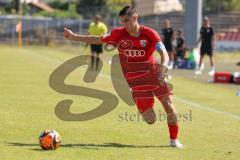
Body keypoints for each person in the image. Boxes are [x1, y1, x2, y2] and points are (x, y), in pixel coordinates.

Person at [64, 5, 183, 148]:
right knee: (150, 119)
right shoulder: (118, 34)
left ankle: (174, 141)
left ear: (135, 18)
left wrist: (163, 69)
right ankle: (138, 99)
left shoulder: (150, 34)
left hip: (154, 74)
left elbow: (164, 54)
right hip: (135, 80)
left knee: (169, 105)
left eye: (126, 20)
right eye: (122, 21)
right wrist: (74, 36)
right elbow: (97, 39)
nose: (124, 24)